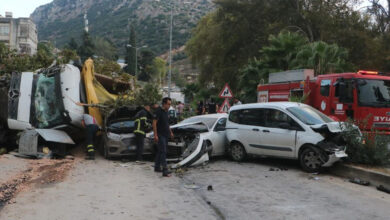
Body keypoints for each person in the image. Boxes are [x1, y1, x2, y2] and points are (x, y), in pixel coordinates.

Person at [153, 97, 174, 177]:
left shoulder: (166, 112)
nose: (169, 106)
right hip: (160, 135)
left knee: (160, 151)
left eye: (170, 104)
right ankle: (165, 170)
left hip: (165, 135)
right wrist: (155, 135)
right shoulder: (159, 111)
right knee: (163, 152)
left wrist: (171, 132)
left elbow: (167, 124)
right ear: (164, 104)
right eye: (168, 104)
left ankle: (157, 167)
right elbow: (154, 123)